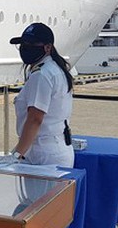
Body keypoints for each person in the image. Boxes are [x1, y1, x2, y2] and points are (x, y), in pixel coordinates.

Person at [9, 22, 74, 168]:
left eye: (31, 44)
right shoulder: (55, 69)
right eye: (23, 44)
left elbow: (35, 118)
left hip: (43, 154)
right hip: (54, 147)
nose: (25, 48)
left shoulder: (42, 74)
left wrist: (17, 155)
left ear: (48, 47)